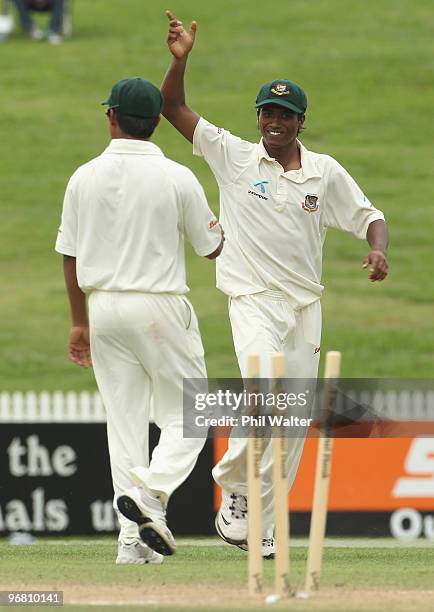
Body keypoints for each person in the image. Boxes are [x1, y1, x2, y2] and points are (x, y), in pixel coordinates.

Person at [161, 10, 389, 558]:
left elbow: (369, 216)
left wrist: (378, 249)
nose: (274, 122)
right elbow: (173, 108)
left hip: (304, 308)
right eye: (267, 112)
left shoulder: (323, 172)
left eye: (285, 115)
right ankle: (237, 492)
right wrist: (180, 60)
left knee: (292, 422)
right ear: (258, 116)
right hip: (252, 299)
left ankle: (262, 518)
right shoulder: (234, 156)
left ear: (300, 122)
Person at [55, 77, 224, 563]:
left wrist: (78, 322)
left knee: (125, 426)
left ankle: (132, 542)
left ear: (111, 117)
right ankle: (150, 495)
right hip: (160, 304)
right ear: (155, 124)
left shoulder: (83, 176)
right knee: (192, 418)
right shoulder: (176, 177)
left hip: (104, 308)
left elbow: (69, 255)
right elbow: (212, 248)